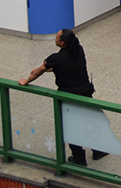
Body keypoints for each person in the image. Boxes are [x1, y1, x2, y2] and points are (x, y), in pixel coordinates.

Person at [19, 29, 108, 165]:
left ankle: (79, 157)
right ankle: (98, 150)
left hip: (68, 97)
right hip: (85, 94)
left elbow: (39, 72)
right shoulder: (79, 50)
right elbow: (63, 66)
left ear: (61, 43)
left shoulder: (55, 59)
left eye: (56, 37)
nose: (55, 38)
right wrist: (47, 68)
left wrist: (26, 81)